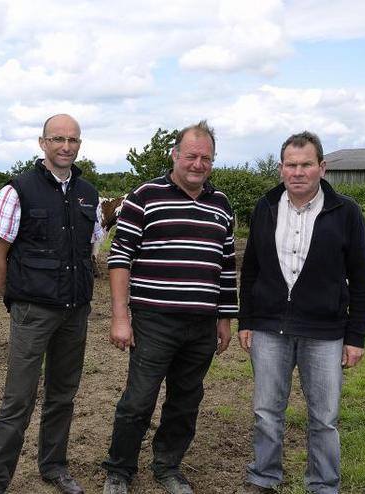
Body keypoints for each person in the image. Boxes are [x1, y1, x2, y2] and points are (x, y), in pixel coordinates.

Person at [102, 120, 238, 494]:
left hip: (202, 323)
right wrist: (120, 317)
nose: (198, 164)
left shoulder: (222, 204)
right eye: (191, 155)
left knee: (186, 399)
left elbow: (226, 266)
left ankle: (167, 467)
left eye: (206, 158)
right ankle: (119, 470)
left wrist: (225, 318)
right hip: (154, 319)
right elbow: (119, 257)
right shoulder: (145, 196)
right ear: (175, 155)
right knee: (139, 399)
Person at [237, 131, 365, 494]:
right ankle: (264, 478)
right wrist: (247, 320)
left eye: (306, 165)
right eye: (291, 165)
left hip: (325, 332)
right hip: (269, 329)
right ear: (281, 169)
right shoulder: (264, 208)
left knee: (324, 418)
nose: (298, 172)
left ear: (321, 167)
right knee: (267, 411)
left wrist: (356, 336)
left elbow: (361, 278)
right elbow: (250, 269)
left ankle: (324, 485)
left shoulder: (346, 212)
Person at [0, 114, 104, 494]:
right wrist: (15, 301)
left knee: (63, 394)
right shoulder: (16, 191)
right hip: (32, 311)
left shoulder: (89, 193)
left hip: (75, 312)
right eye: (58, 139)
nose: (66, 146)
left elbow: (92, 248)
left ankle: (54, 466)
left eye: (73, 140)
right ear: (42, 143)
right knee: (18, 398)